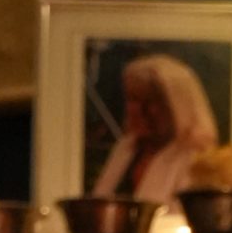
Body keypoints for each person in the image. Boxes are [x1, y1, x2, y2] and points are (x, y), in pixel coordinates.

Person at [90, 53, 220, 208]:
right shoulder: (125, 149)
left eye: (151, 101)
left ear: (178, 106)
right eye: (133, 99)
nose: (139, 110)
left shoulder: (196, 159)